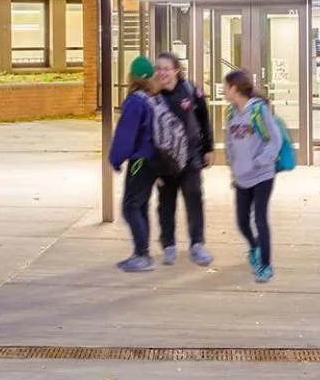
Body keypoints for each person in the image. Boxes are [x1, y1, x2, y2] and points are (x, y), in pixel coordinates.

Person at [150, 52, 213, 266]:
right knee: (165, 204)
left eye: (166, 68)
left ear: (176, 70)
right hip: (164, 162)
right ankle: (168, 246)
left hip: (191, 158)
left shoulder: (191, 91)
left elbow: (204, 119)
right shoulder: (152, 96)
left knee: (194, 200)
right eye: (158, 69)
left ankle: (197, 244)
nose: (162, 73)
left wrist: (209, 148)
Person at [222, 67, 285, 283]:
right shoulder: (230, 113)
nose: (223, 91)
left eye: (226, 87)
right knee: (241, 221)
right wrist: (234, 168)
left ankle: (266, 265)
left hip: (262, 176)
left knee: (259, 219)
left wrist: (259, 162)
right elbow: (230, 143)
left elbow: (275, 140)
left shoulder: (258, 110)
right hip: (242, 177)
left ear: (235, 88)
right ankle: (254, 247)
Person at [107, 56, 160, 272]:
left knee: (130, 208)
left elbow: (125, 136)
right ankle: (142, 252)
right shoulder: (153, 99)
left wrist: (116, 159)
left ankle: (142, 255)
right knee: (141, 206)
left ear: (132, 76)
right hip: (153, 161)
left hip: (140, 161)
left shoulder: (135, 102)